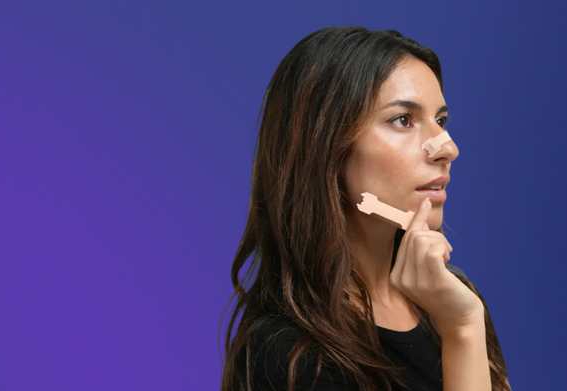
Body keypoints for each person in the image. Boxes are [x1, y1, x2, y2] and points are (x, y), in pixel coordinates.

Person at [219, 25, 511, 391]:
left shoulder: (452, 301)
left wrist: (462, 323)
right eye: (403, 119)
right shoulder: (288, 357)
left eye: (440, 121)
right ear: (326, 149)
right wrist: (463, 331)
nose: (447, 148)